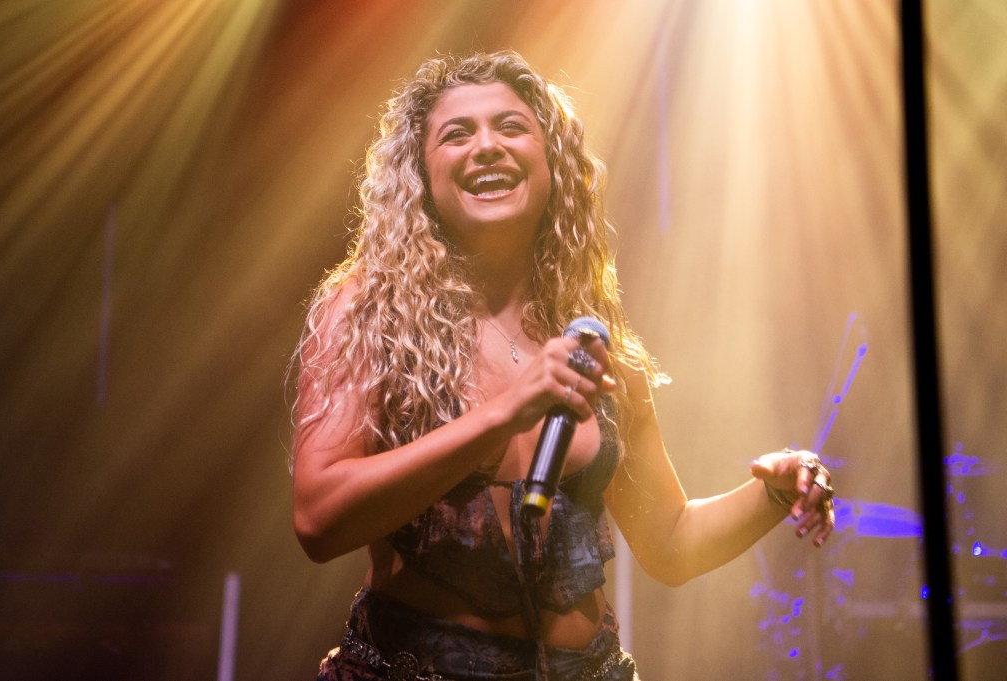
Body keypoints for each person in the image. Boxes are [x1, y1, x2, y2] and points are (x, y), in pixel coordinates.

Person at [290, 51, 835, 681]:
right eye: (457, 134)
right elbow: (318, 518)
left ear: (553, 164)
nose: (487, 146)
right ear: (421, 172)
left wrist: (773, 493)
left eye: (512, 127)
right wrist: (505, 414)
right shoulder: (367, 311)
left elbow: (670, 544)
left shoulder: (595, 342)